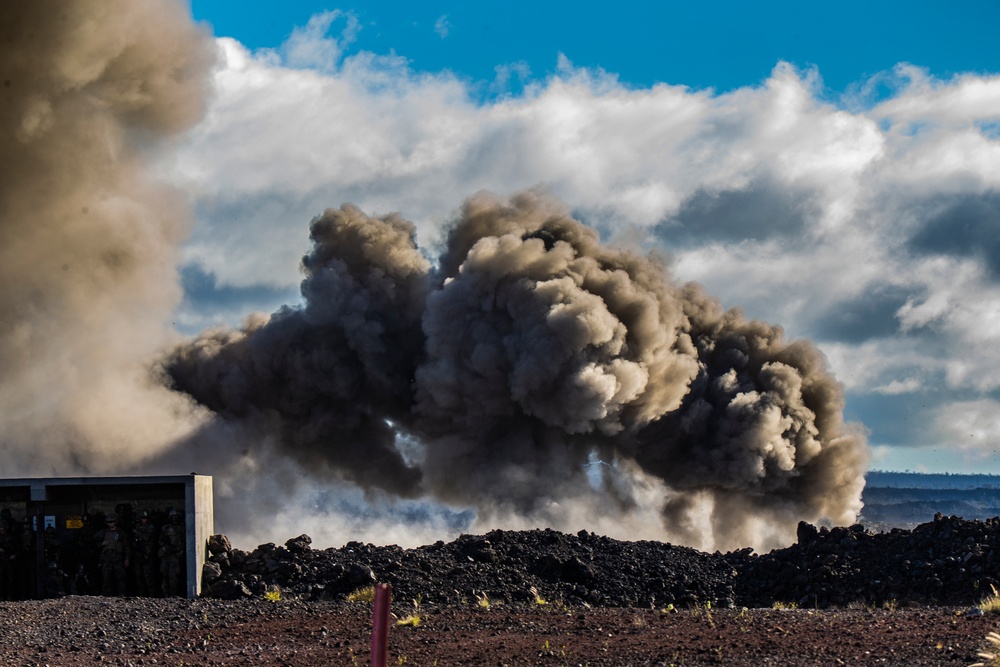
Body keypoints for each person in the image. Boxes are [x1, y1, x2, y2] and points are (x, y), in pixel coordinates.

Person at [94, 512, 130, 596]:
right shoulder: (104, 532)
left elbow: (126, 546)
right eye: (108, 522)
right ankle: (106, 595)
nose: (110, 524)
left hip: (118, 558)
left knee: (120, 578)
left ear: (115, 522)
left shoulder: (121, 532)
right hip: (106, 558)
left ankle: (122, 595)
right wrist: (101, 544)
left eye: (111, 522)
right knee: (106, 578)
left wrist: (127, 558)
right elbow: (95, 539)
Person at [132, 510, 159, 596]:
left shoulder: (150, 527)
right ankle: (141, 594)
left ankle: (152, 594)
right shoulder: (137, 526)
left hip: (147, 554)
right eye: (143, 518)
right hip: (138, 554)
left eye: (146, 518)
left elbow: (146, 537)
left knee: (148, 576)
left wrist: (137, 533)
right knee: (138, 576)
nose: (144, 520)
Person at [159, 508, 185, 597]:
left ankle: (173, 595)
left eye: (176, 516)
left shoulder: (182, 528)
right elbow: (160, 540)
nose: (174, 518)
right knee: (164, 575)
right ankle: (166, 595)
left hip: (175, 556)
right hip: (166, 556)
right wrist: (165, 547)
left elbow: (184, 543)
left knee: (174, 577)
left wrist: (175, 549)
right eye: (172, 516)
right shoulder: (165, 528)